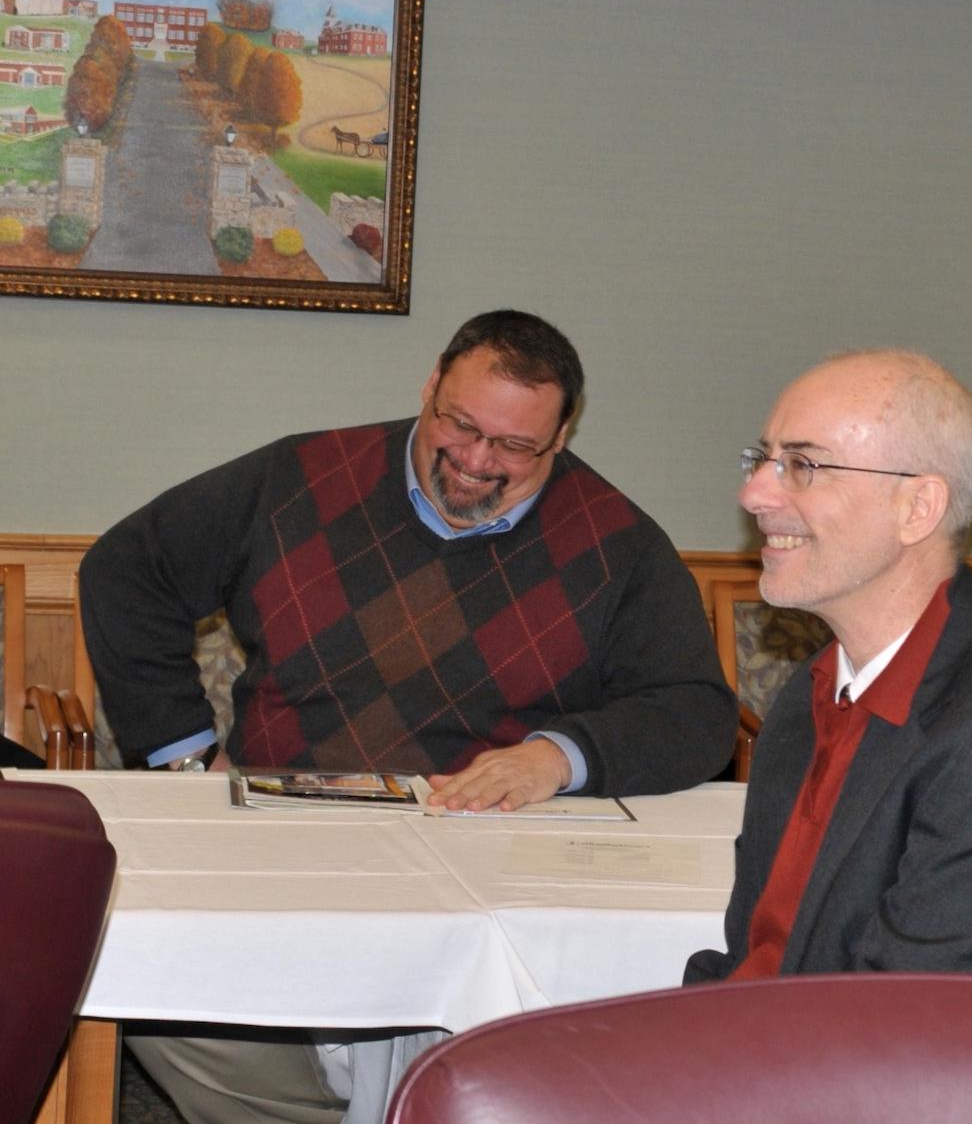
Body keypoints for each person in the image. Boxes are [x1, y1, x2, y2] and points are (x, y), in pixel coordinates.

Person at [80, 310, 736, 1124]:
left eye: (514, 447)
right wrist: (186, 759)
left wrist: (556, 758)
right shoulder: (299, 477)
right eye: (458, 424)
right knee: (139, 979)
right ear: (430, 386)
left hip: (483, 882)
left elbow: (696, 710)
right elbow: (127, 572)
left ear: (562, 437)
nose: (473, 461)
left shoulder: (618, 543)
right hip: (288, 848)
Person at [686, 350, 972, 983]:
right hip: (777, 1049)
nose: (753, 493)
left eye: (802, 465)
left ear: (918, 508)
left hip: (884, 1072)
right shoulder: (814, 691)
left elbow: (917, 1035)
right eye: (762, 459)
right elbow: (757, 957)